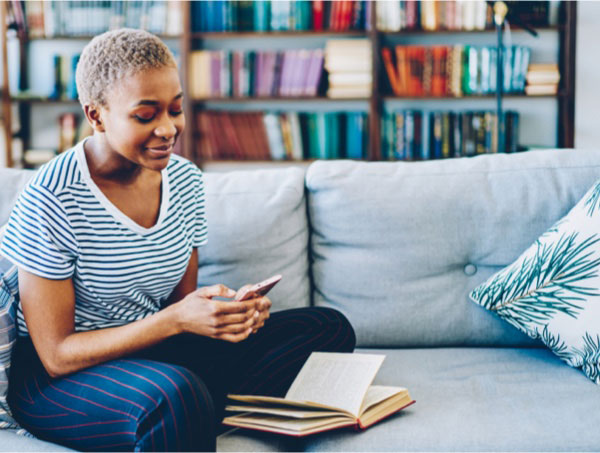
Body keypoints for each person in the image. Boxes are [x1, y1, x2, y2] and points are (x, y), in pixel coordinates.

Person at [0, 29, 355, 452]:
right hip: (57, 380)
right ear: (96, 115)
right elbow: (57, 355)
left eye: (176, 109)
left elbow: (178, 310)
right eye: (146, 115)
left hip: (150, 357)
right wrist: (176, 322)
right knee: (174, 396)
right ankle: (189, 410)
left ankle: (195, 411)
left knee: (328, 328)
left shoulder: (185, 180)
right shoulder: (52, 198)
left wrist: (225, 318)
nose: (168, 129)